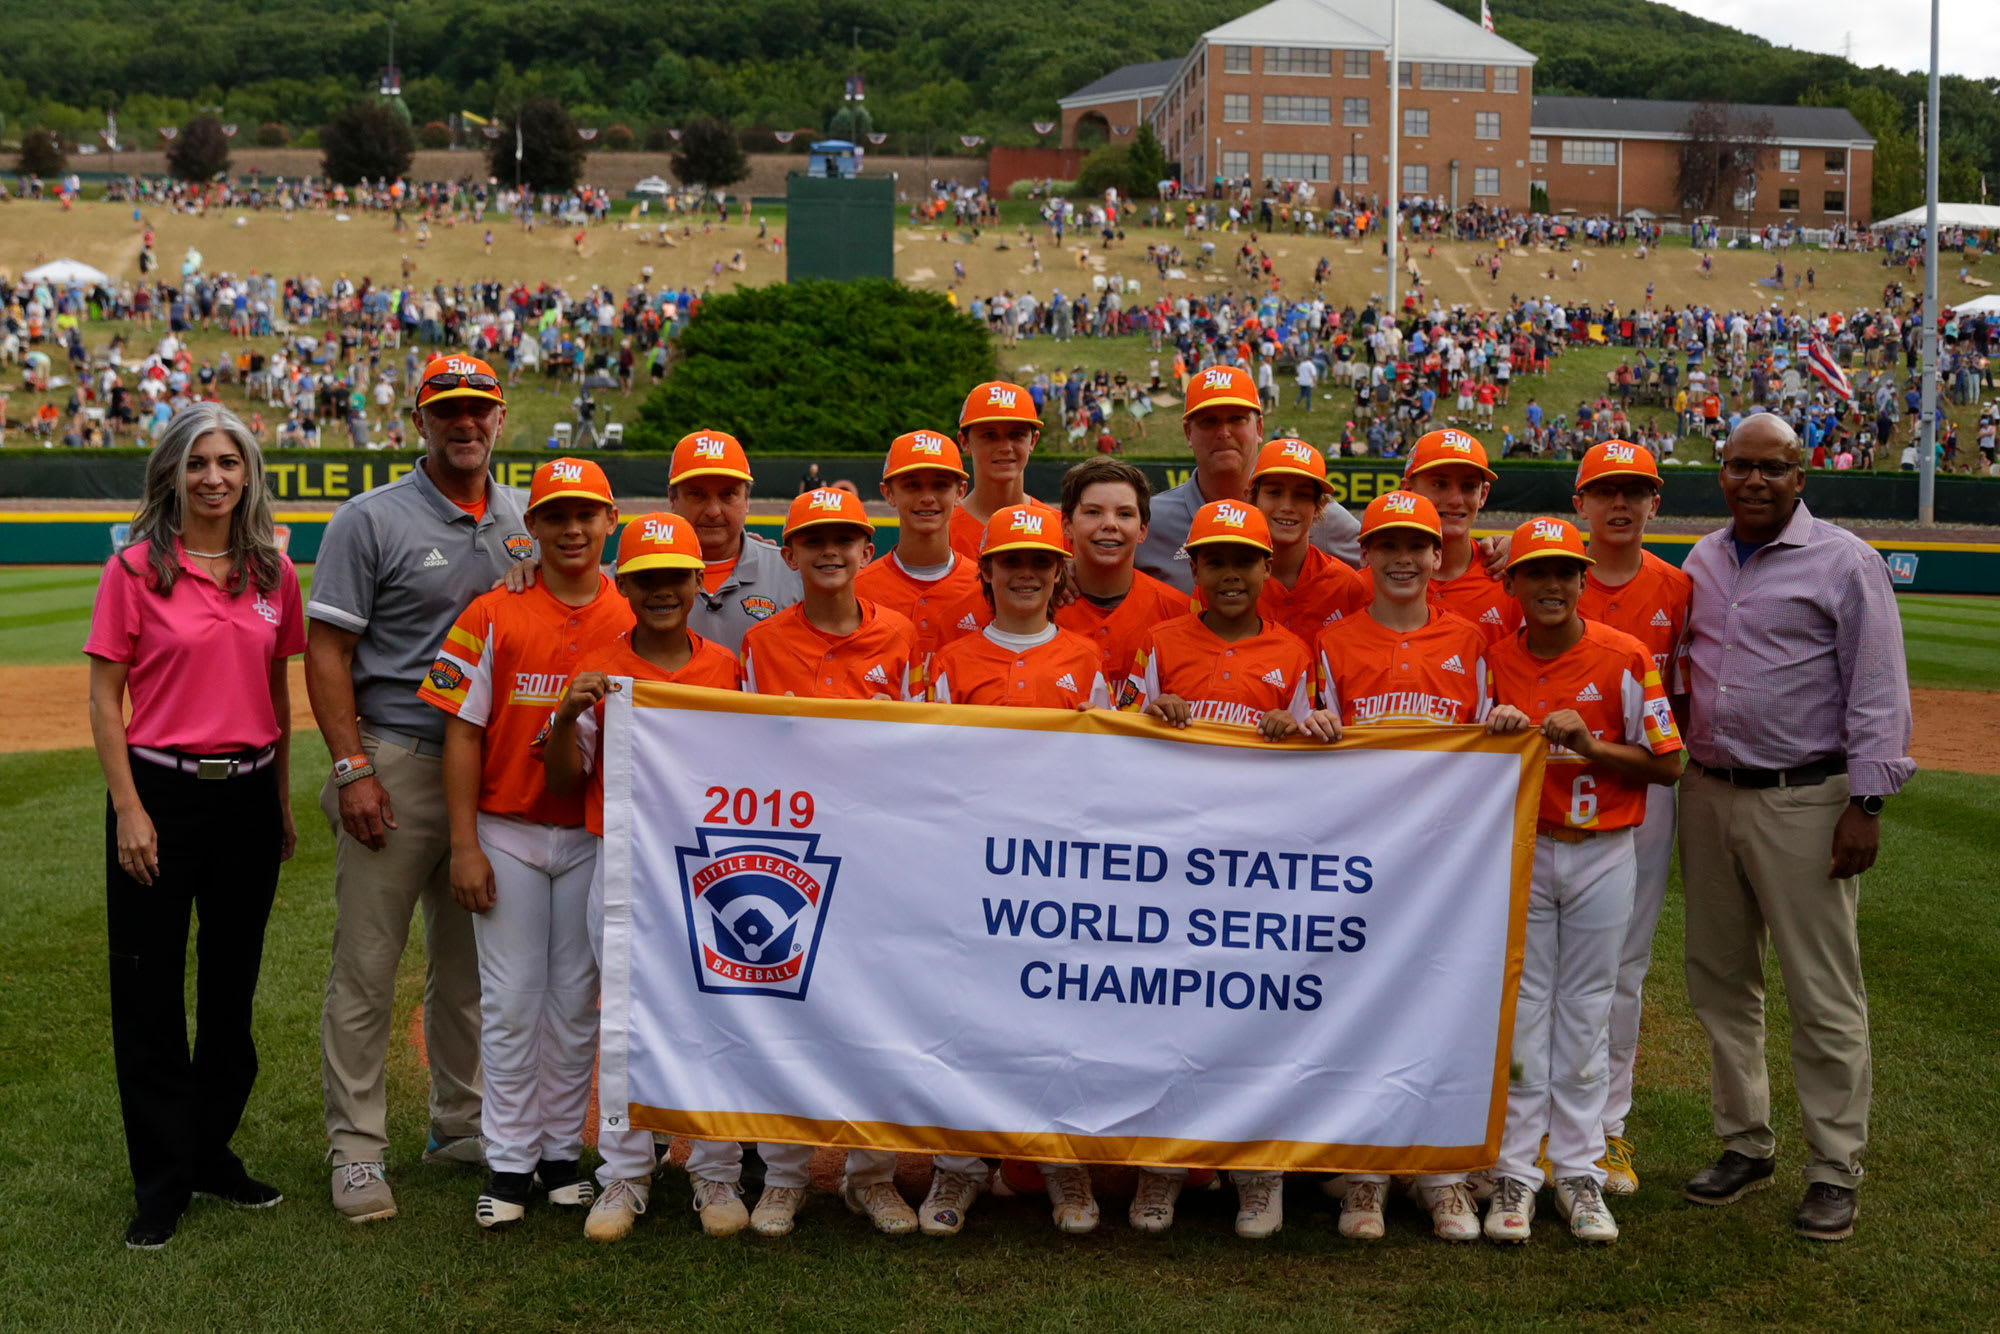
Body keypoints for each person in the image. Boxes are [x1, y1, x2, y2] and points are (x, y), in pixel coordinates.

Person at [306, 353, 534, 1222]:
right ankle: (357, 1150)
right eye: (448, 411)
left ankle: (460, 1121)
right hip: (397, 756)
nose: (465, 424)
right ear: (421, 420)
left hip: (490, 769)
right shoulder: (371, 518)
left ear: (499, 416)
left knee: (469, 965)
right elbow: (326, 652)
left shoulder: (523, 517)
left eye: (478, 409)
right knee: (367, 965)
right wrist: (352, 767)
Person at [1676, 413, 1914, 1243]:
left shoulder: (1845, 561)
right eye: (1740, 466)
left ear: (1800, 476)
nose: (1753, 481)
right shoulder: (1702, 558)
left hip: (1807, 797)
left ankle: (1833, 1166)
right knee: (1719, 980)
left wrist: (1867, 803)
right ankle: (1745, 1143)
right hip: (1706, 793)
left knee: (1822, 992)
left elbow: (1879, 689)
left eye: (1771, 468)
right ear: (1722, 473)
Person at [85, 403, 305, 1250]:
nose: (215, 476)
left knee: (229, 989)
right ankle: (162, 1182)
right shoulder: (134, 570)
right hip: (159, 795)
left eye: (230, 461)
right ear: (171, 473)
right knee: (147, 994)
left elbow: (278, 698)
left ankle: (210, 1153)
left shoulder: (269, 573)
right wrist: (130, 810)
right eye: (198, 462)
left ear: (248, 473)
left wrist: (281, 799)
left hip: (247, 796)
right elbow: (106, 697)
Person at [416, 458, 631, 1230]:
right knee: (510, 1003)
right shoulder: (492, 610)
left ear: (610, 522)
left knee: (576, 1002)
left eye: (587, 515)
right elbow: (461, 730)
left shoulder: (632, 611)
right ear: (529, 527)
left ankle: (560, 1155)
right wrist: (465, 843)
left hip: (590, 832)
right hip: (507, 828)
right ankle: (508, 1160)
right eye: (555, 516)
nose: (572, 530)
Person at [700, 487, 921, 1238]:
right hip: (793, 855)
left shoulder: (903, 637)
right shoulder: (761, 645)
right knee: (786, 1012)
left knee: (878, 1013)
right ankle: (787, 1176)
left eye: (845, 539)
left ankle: (873, 1176)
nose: (831, 551)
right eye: (813, 540)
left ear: (867, 549)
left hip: (882, 851)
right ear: (786, 556)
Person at [541, 512, 745, 1244]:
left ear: (699, 582)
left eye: (675, 578)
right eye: (646, 579)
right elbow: (566, 781)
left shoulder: (726, 667)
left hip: (708, 866)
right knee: (622, 1014)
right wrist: (565, 718)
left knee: (717, 1007)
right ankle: (626, 1170)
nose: (662, 591)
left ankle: (714, 1165)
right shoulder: (599, 666)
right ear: (622, 584)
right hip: (621, 861)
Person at [1481, 517, 1684, 1246]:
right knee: (1527, 1005)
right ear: (1512, 584)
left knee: (1590, 1007)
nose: (1552, 585)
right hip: (1526, 851)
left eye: (1566, 572)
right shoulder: (1493, 658)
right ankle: (1514, 1167)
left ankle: (1579, 1169)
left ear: (1583, 579)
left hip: (1604, 849)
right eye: (1536, 572)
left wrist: (1593, 745)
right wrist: (1493, 729)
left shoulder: (1625, 655)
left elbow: (1670, 763)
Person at [1299, 488, 1490, 1244]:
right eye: (1388, 546)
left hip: (1449, 868)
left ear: (1436, 555)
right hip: (1363, 867)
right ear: (1365, 555)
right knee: (1366, 1013)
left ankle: (1441, 1177)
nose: (1404, 559)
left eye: (1417, 546)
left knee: (1445, 1012)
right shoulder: (1334, 643)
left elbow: (1494, 746)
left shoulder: (1472, 641)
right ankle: (1367, 1177)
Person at [1120, 498, 1312, 1240]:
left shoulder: (1296, 653)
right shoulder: (1161, 642)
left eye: (1244, 560)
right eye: (1215, 561)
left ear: (1268, 568)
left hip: (1260, 867)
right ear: (1192, 567)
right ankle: (1164, 1163)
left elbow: (1322, 764)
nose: (1230, 574)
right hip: (1173, 861)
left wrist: (1297, 731)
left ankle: (1256, 1169)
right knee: (1171, 1011)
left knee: (1254, 1017)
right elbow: (1117, 735)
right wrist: (1150, 712)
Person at [1568, 441, 1692, 1195]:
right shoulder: (1542, 572)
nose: (1620, 503)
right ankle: (1533, 1117)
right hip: (1541, 789)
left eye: (1634, 491)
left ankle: (1608, 1124)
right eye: (1605, 490)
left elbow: (1677, 703)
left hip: (1643, 791)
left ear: (1655, 502)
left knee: (1623, 966)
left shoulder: (1677, 588)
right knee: (1532, 965)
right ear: (1578, 502)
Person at [1135, 366, 1360, 591]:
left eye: (1237, 419)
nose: (1224, 432)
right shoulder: (1150, 521)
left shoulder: (1313, 514)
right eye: (1209, 421)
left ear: (1259, 427)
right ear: (1188, 433)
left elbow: (1380, 573)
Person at [854, 429, 981, 689]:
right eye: (912, 485)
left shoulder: (988, 587)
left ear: (960, 492)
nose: (927, 497)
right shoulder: (857, 588)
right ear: (888, 493)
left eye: (940, 485)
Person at [1053, 458, 1187, 694]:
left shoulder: (1179, 612)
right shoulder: (1039, 607)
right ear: (1066, 525)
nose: (1109, 524)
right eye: (1093, 512)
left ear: (1143, 530)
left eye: (1124, 514)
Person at [668, 430, 802, 655]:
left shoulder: (794, 574)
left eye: (728, 494)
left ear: (747, 500)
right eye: (697, 495)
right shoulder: (636, 574)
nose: (713, 511)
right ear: (672, 499)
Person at [1395, 428, 1521, 644]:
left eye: (1468, 486)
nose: (1455, 499)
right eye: (1440, 484)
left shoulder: (1508, 580)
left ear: (1483, 495)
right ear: (1408, 491)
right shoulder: (1373, 582)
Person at [1241, 439, 1366, 643]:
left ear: (1318, 506)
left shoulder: (1347, 586)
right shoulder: (1225, 580)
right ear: (1251, 499)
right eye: (1274, 492)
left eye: (1302, 495)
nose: (1287, 506)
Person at [950, 381, 1042, 559]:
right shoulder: (940, 533)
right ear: (964, 442)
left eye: (1016, 434)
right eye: (989, 435)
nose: (1005, 447)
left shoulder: (1058, 527)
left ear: (1032, 441)